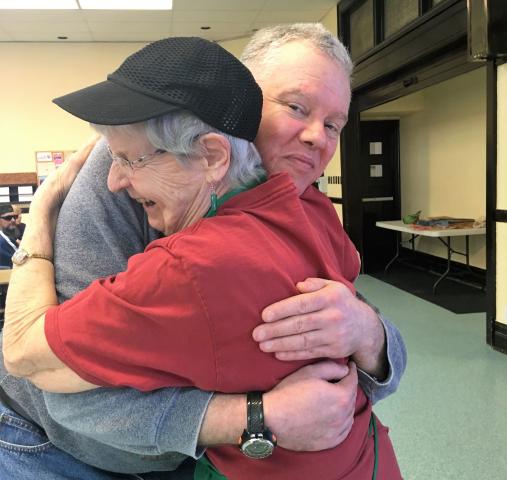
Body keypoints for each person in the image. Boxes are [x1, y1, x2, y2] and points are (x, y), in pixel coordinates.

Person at [0, 24, 406, 480]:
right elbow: (48, 376)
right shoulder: (126, 175)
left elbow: (369, 351)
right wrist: (256, 417)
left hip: (194, 460)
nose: (318, 136)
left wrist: (368, 332)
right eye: (296, 107)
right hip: (60, 451)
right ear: (239, 100)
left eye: (334, 124)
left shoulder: (304, 201)